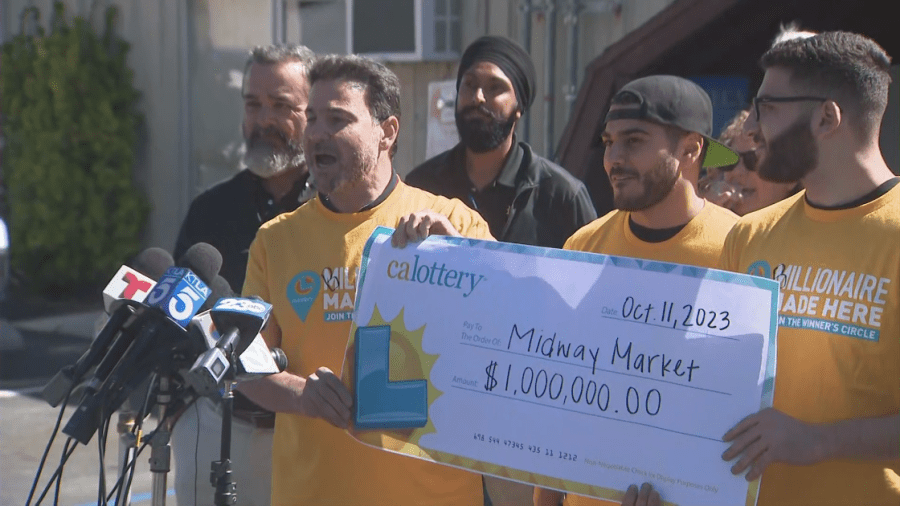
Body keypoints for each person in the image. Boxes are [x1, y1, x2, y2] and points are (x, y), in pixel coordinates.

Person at [236, 54, 519, 506]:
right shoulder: (276, 239)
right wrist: (301, 394)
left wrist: (457, 265)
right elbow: (243, 364)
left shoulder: (454, 222)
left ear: (387, 132)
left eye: (338, 119)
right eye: (312, 119)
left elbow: (508, 348)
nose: (317, 134)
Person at [534, 75, 740, 506]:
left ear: (691, 148)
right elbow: (563, 396)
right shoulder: (583, 246)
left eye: (634, 141)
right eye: (609, 142)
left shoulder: (739, 249)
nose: (613, 159)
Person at [715, 31, 899, 506]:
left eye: (769, 107)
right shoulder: (749, 236)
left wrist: (820, 441)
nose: (752, 128)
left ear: (826, 117)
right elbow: (715, 389)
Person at [171, 44, 316, 506]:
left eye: (281, 105)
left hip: (304, 433)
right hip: (214, 426)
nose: (264, 120)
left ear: (313, 114)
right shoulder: (210, 210)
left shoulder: (336, 212)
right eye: (253, 105)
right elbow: (180, 318)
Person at [406, 35, 596, 248]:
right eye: (469, 84)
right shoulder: (423, 185)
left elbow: (593, 277)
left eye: (495, 87)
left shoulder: (562, 197)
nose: (478, 97)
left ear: (519, 107)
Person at [700, 109, 801, 216]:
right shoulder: (705, 214)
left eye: (753, 160)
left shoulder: (813, 230)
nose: (737, 171)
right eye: (729, 161)